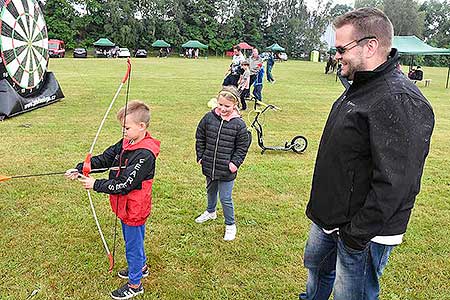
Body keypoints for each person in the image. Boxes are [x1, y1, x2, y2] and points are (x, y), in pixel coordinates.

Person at [299, 8, 434, 300]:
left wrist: (356, 235)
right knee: (317, 273)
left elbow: (396, 182)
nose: (336, 55)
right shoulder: (360, 86)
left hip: (362, 233)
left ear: (370, 46)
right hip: (330, 218)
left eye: (340, 49)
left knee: (352, 294)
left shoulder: (398, 99)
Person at [65, 100, 161, 300]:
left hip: (135, 206)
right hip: (126, 205)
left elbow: (126, 183)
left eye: (126, 127)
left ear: (141, 127)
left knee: (132, 245)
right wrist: (82, 168)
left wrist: (96, 184)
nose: (123, 131)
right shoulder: (127, 142)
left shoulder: (145, 154)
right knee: (134, 239)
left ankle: (135, 284)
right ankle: (141, 267)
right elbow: (106, 158)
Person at [194, 86, 250, 241]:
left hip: (227, 169)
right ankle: (211, 211)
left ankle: (230, 225)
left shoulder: (239, 125)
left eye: (227, 106)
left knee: (225, 198)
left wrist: (234, 163)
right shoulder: (208, 118)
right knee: (210, 190)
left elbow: (242, 147)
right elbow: (200, 136)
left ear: (235, 105)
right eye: (220, 104)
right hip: (209, 164)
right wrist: (201, 155)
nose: (223, 108)